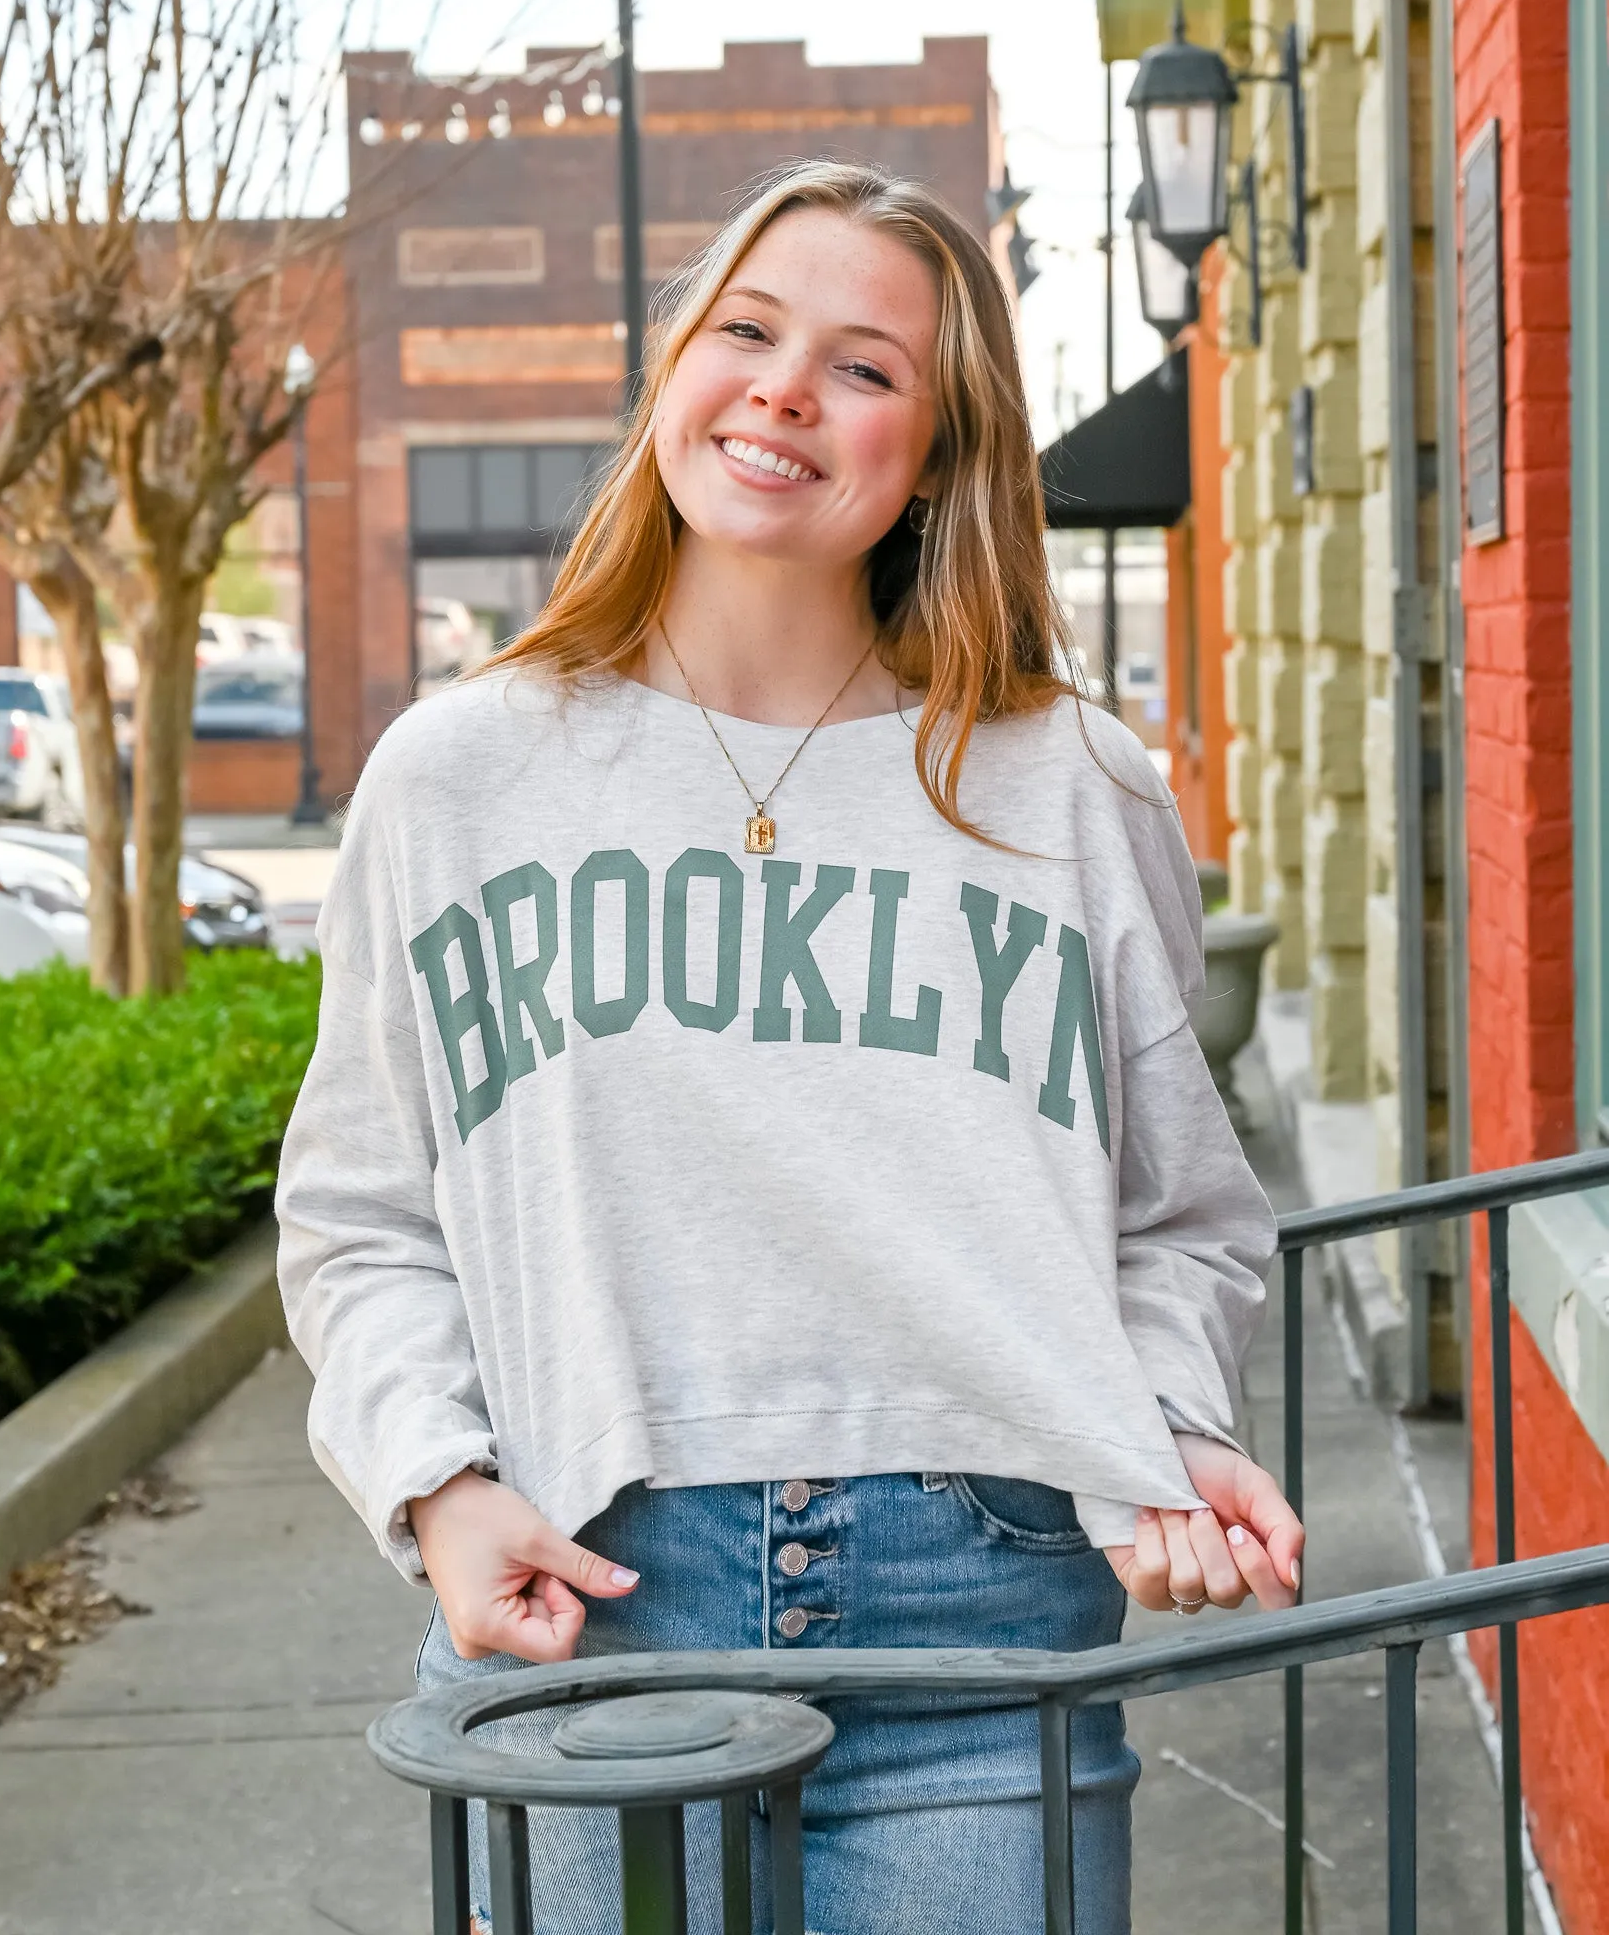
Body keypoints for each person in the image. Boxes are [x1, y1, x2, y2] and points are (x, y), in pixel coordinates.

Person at [276, 158, 1303, 1935]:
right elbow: (364, 1214)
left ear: (938, 446)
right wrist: (435, 1487)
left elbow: (1182, 1216)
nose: (783, 389)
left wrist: (1161, 1424)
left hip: (980, 1614)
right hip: (590, 1605)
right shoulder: (457, 780)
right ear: (672, 371)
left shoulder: (1063, 783)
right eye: (745, 331)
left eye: (863, 365)